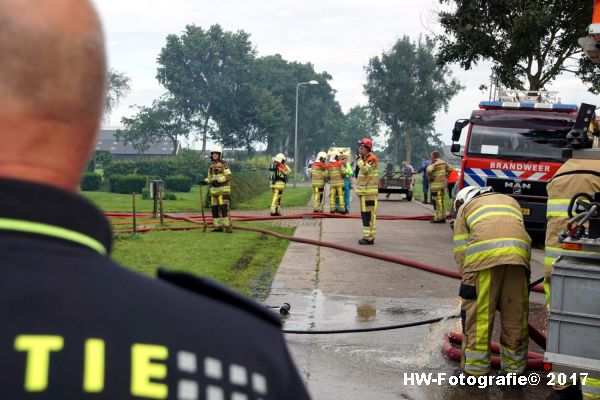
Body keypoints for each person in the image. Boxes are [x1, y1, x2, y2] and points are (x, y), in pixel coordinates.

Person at [0, 1, 309, 398]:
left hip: (222, 198)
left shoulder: (231, 169)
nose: (215, 159)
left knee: (221, 215)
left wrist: (219, 178)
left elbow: (225, 178)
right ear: (93, 121)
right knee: (217, 214)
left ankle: (223, 225)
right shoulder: (244, 359)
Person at [453, 186, 531, 378]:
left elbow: (461, 250)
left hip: (483, 262)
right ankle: (514, 373)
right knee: (515, 317)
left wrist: (469, 282)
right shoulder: (510, 201)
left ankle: (475, 373)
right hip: (519, 260)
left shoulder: (466, 208)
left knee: (479, 319)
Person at [545, 136, 600, 400]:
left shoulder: (561, 171)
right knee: (592, 327)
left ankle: (564, 387)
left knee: (561, 326)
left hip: (556, 263)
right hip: (593, 262)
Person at [201, 145, 232, 233]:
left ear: (219, 155)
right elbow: (210, 177)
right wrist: (205, 181)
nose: (214, 155)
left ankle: (228, 227)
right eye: (213, 154)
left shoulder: (224, 164)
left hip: (223, 192)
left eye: (216, 154)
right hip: (214, 192)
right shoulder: (211, 165)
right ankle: (218, 227)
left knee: (223, 209)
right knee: (214, 210)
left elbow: (228, 176)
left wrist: (218, 181)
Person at [355, 138, 379, 244]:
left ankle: (369, 237)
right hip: (364, 193)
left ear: (367, 148)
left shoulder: (371, 159)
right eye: (359, 148)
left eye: (362, 148)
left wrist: (359, 160)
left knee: (369, 215)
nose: (360, 150)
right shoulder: (364, 159)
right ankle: (366, 236)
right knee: (365, 215)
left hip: (369, 193)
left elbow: (365, 170)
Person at [427, 150, 453, 223]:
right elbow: (451, 168)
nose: (431, 157)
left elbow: (429, 170)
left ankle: (438, 218)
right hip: (442, 185)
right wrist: (445, 174)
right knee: (441, 201)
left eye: (431, 156)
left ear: (434, 156)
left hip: (435, 186)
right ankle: (442, 217)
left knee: (436, 202)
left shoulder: (435, 163)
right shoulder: (443, 162)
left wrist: (431, 177)